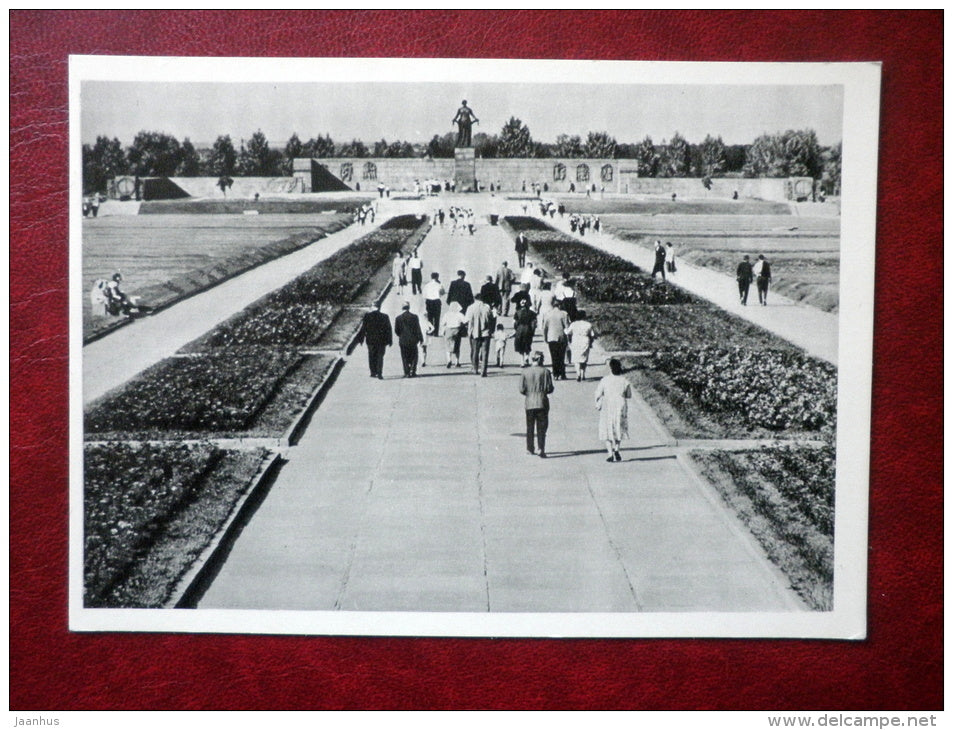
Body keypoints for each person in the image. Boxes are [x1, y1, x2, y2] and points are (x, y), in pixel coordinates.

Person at [595, 358, 633, 462]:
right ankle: (617, 449)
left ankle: (610, 453)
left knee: (607, 428)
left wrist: (598, 401)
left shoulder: (605, 380)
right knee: (618, 427)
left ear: (610, 368)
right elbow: (629, 395)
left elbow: (598, 393)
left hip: (608, 405)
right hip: (620, 405)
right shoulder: (624, 380)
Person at [519, 351, 555, 458]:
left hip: (529, 402)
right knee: (542, 427)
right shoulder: (546, 372)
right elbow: (550, 388)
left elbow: (521, 389)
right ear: (540, 360)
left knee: (529, 427)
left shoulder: (525, 372)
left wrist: (529, 393)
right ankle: (541, 448)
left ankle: (530, 448)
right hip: (542, 402)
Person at [355, 301, 392, 379]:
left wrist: (361, 339)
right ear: (379, 307)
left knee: (372, 356)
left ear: (372, 307)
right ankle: (379, 373)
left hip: (371, 340)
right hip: (381, 341)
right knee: (380, 357)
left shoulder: (367, 316)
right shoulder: (385, 316)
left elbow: (363, 328)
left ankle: (373, 372)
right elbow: (388, 329)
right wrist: (389, 340)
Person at [465, 293, 494, 377]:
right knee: (485, 352)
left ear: (474, 298)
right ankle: (484, 370)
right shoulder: (487, 307)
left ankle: (475, 369)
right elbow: (491, 319)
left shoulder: (470, 308)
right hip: (486, 333)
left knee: (475, 351)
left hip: (475, 333)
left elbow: (467, 320)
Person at [541, 301, 571, 380]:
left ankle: (555, 374)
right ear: (560, 305)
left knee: (554, 356)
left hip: (551, 338)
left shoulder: (547, 314)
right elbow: (567, 327)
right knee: (561, 356)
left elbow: (544, 328)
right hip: (561, 338)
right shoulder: (564, 314)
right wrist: (569, 338)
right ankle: (562, 374)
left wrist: (545, 338)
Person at [394, 301, 424, 378]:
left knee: (404, 356)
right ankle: (413, 371)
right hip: (413, 340)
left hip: (403, 340)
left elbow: (396, 330)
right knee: (414, 356)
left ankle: (406, 372)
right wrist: (421, 339)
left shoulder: (398, 318)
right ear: (409, 307)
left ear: (402, 308)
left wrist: (401, 335)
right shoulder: (414, 317)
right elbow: (418, 329)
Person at [566, 310, 596, 381]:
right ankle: (583, 374)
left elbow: (568, 332)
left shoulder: (573, 324)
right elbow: (592, 335)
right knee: (584, 359)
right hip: (585, 341)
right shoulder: (588, 324)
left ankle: (578, 374)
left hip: (576, 341)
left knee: (576, 359)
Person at [440, 301, 467, 368]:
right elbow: (465, 321)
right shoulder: (459, 314)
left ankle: (449, 360)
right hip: (457, 330)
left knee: (448, 346)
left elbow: (442, 323)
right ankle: (457, 362)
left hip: (448, 330)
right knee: (457, 347)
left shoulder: (447, 314)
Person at [512, 298, 537, 367]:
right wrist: (532, 331)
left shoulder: (517, 312)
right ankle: (527, 357)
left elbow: (514, 323)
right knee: (528, 344)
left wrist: (516, 329)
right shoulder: (531, 313)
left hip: (520, 329)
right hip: (528, 329)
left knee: (520, 346)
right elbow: (534, 323)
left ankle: (522, 361)